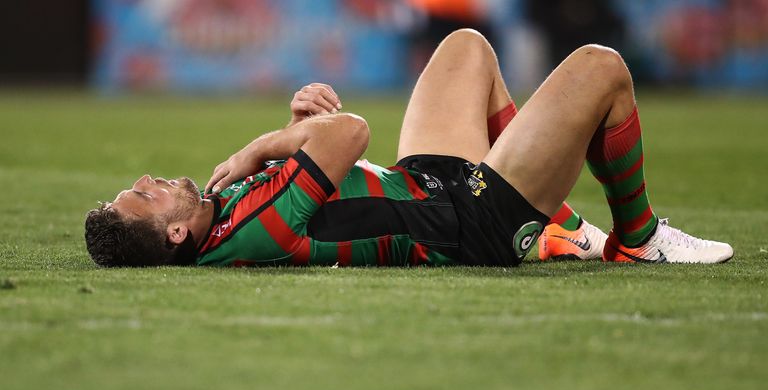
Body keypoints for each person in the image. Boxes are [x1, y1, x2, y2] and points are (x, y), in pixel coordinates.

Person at [84, 29, 733, 267]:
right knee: (602, 67)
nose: (148, 177)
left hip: (423, 182)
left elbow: (320, 164)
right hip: (471, 221)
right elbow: (352, 133)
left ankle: (560, 226)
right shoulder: (245, 231)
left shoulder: (223, 206)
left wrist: (296, 122)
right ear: (173, 235)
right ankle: (638, 237)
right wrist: (271, 142)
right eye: (143, 196)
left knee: (466, 48)